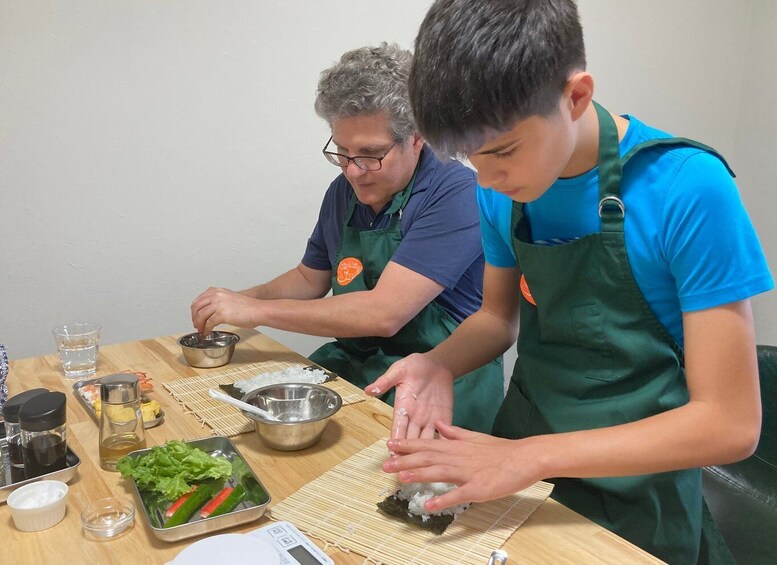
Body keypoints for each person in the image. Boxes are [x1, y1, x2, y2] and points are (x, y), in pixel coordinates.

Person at [367, 2, 774, 563]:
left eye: (502, 152)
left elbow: (730, 423)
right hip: (522, 456)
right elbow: (494, 319)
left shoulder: (687, 188)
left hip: (638, 484)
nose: (486, 179)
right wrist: (438, 363)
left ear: (576, 96)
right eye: (467, 157)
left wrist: (533, 457)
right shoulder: (497, 187)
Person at [190, 43, 504, 433]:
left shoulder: (456, 194)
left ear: (418, 136)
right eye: (342, 151)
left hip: (439, 378)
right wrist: (234, 303)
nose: (354, 171)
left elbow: (384, 313)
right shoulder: (345, 191)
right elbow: (310, 278)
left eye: (370, 154)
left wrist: (254, 313)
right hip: (359, 365)